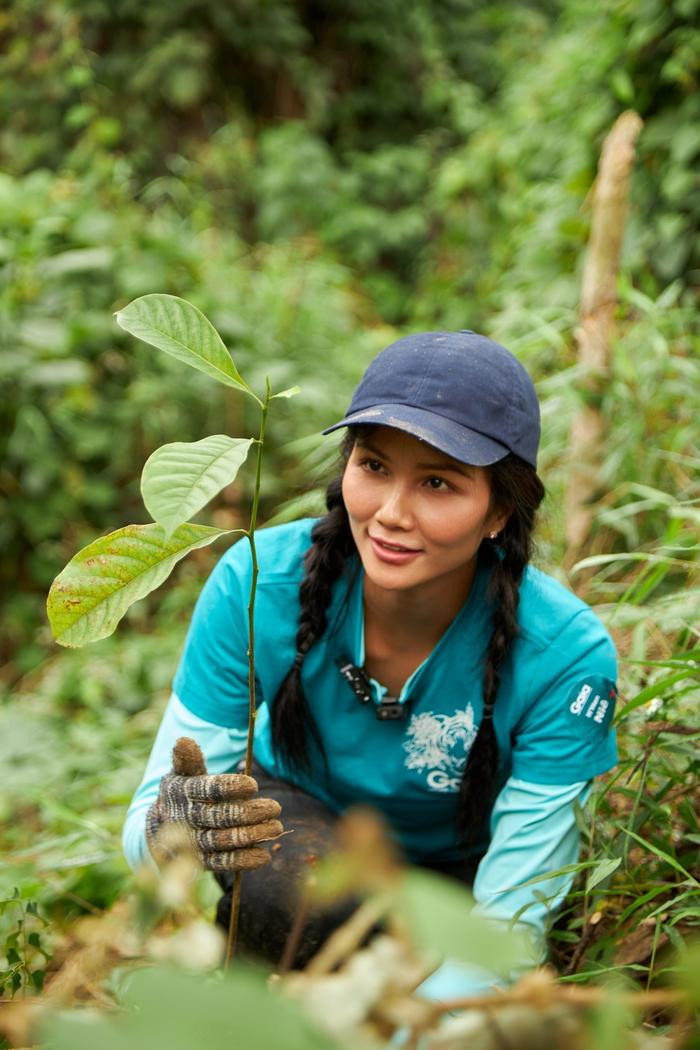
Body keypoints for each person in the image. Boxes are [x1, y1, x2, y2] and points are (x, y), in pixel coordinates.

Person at [123, 330, 618, 998]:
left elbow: (511, 924)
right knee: (287, 892)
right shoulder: (255, 581)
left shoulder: (566, 656)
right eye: (374, 466)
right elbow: (143, 837)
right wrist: (169, 830)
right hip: (302, 832)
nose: (390, 514)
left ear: (500, 510)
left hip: (459, 873)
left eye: (438, 483)